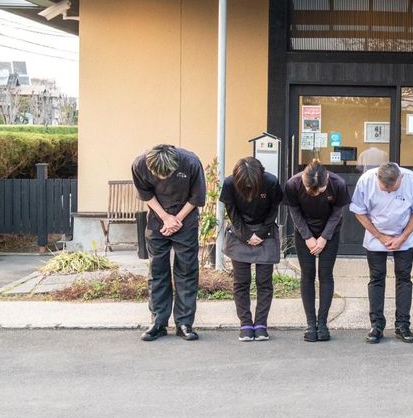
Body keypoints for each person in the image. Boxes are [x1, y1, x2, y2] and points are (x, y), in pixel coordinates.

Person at [131, 144, 206, 342]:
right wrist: (165, 218)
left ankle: (184, 323)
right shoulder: (140, 164)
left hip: (186, 219)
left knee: (187, 271)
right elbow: (146, 194)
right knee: (157, 271)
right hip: (158, 220)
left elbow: (197, 197)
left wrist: (176, 220)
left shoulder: (190, 162)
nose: (163, 179)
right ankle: (158, 322)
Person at [349, 162, 413, 344]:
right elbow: (359, 212)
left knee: (404, 278)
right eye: (386, 189)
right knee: (376, 278)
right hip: (376, 235)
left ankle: (403, 325)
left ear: (400, 177)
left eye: (394, 188)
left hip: (404, 235)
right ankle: (376, 325)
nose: (390, 191)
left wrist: (402, 237)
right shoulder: (366, 180)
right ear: (378, 179)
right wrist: (380, 236)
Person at [284, 159, 351, 342]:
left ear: (326, 179)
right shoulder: (293, 184)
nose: (314, 194)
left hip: (330, 232)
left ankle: (322, 323)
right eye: (309, 190)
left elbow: (337, 213)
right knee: (307, 275)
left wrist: (323, 238)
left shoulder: (338, 184)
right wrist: (307, 237)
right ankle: (310, 323)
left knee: (325, 275)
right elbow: (294, 212)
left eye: (319, 191)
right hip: (304, 232)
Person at [219, 157, 283, 342]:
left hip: (266, 230)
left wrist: (261, 233)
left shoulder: (270, 182)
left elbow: (273, 210)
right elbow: (232, 212)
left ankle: (261, 324)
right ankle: (246, 324)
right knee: (241, 282)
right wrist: (246, 234)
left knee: (264, 282)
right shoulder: (230, 183)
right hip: (241, 231)